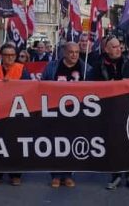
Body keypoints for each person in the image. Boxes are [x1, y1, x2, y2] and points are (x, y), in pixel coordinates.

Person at [91, 36, 129, 190]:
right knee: (113, 145)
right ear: (106, 49)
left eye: (119, 46)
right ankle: (116, 176)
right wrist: (107, 87)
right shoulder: (98, 65)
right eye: (113, 47)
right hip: (109, 111)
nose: (118, 49)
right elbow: (89, 87)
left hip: (128, 111)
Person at [41, 42, 89, 188]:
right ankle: (55, 175)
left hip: (76, 112)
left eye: (77, 52)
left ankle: (68, 174)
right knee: (55, 144)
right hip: (55, 111)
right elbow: (42, 85)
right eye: (71, 52)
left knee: (71, 143)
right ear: (64, 53)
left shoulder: (85, 68)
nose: (74, 55)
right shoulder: (52, 67)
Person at [0, 44, 29, 186]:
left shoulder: (22, 69)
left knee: (14, 143)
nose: (9, 58)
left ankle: (15, 175)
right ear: (1, 55)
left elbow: (29, 87)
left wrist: (13, 85)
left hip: (15, 111)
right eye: (6, 55)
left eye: (12, 55)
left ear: (15, 56)